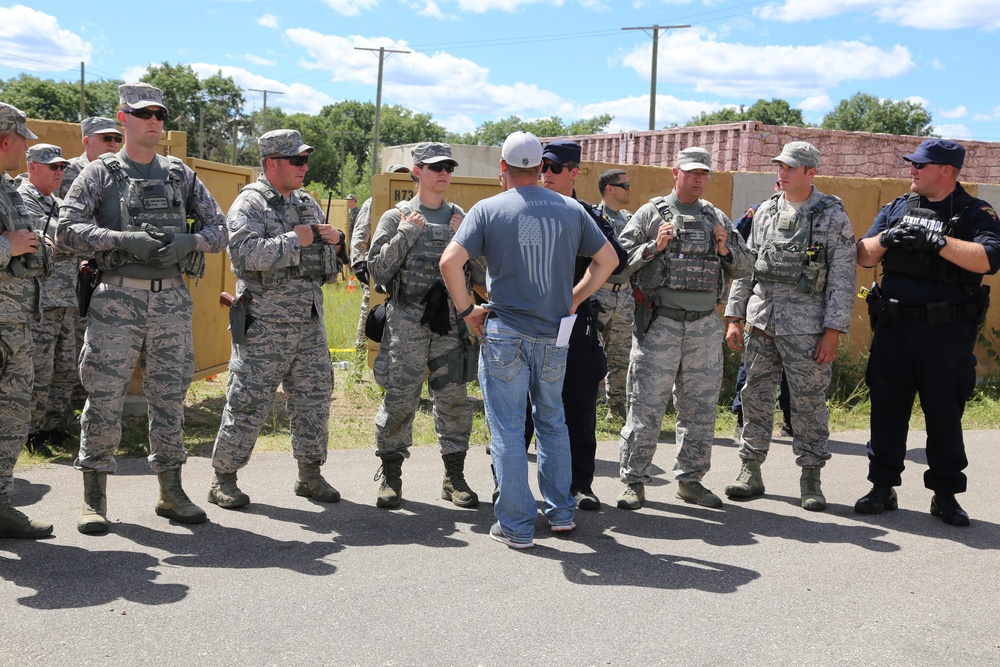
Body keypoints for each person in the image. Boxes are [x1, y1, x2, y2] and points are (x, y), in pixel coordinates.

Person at [58, 82, 228, 533]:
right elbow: (65, 230)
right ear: (123, 118)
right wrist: (120, 239)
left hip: (171, 297)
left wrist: (189, 240)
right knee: (104, 397)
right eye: (144, 113)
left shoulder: (180, 174)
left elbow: (221, 230)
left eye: (160, 115)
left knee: (170, 396)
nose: (154, 121)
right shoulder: (99, 173)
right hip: (116, 297)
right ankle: (94, 497)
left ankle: (171, 492)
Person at [440, 130, 618, 548]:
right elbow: (607, 260)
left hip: (505, 333)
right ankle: (560, 512)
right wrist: (572, 300)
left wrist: (468, 312)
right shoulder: (571, 209)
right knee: (553, 420)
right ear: (541, 168)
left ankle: (517, 526)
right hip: (554, 334)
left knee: (506, 428)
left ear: (503, 169)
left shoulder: (487, 209)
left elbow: (450, 262)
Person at [854, 139, 1000, 527]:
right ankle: (882, 487)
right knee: (887, 410)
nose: (912, 170)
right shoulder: (898, 207)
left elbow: (988, 259)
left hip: (946, 332)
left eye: (921, 165)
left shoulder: (974, 212)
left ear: (946, 171)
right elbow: (863, 254)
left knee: (944, 414)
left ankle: (946, 495)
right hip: (895, 329)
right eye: (912, 164)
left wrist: (938, 242)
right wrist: (885, 239)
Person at [208, 129, 344, 509]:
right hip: (264, 325)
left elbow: (327, 269)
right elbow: (244, 256)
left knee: (314, 401)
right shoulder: (249, 204)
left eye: (306, 160)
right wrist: (293, 241)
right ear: (272, 163)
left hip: (308, 322)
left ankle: (310, 475)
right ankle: (224, 479)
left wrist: (336, 241)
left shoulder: (306, 203)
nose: (304, 167)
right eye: (297, 160)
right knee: (247, 402)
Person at [616, 147, 752, 511]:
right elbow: (617, 263)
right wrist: (652, 247)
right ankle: (633, 481)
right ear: (675, 172)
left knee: (700, 410)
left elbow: (744, 268)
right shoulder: (651, 213)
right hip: (660, 324)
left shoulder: (715, 217)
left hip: (704, 329)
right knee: (645, 407)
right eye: (691, 172)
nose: (698, 179)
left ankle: (690, 482)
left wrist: (725, 248)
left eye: (704, 173)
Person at [723, 141, 856, 511]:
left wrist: (833, 331)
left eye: (790, 167)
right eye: (779, 165)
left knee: (809, 403)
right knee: (754, 396)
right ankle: (750, 470)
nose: (781, 172)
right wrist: (735, 318)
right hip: (761, 321)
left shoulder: (831, 216)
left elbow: (844, 277)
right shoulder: (765, 210)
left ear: (810, 173)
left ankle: (810, 477)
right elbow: (747, 267)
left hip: (808, 328)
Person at [368, 143, 483, 509]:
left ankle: (454, 478)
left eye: (448, 167)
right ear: (417, 171)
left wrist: (468, 237)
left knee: (453, 401)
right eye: (435, 167)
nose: (443, 173)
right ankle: (390, 475)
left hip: (450, 323)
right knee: (400, 400)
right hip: (407, 323)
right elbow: (377, 274)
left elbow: (480, 277)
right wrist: (405, 234)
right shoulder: (395, 217)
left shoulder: (461, 218)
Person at [531, 141, 626, 512]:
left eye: (555, 168)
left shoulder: (586, 214)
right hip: (530, 322)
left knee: (579, 404)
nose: (547, 175)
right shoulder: (529, 209)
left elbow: (616, 259)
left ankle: (580, 484)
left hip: (573, 323)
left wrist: (575, 295)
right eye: (543, 168)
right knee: (522, 409)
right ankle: (508, 486)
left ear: (574, 172)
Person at [0, 102, 54, 539]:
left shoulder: (9, 188)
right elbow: (12, 244)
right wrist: (8, 246)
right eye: (23, 140)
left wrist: (38, 246)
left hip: (16, 324)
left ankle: (0, 504)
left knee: (12, 419)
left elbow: (27, 242)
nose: (25, 148)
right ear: (6, 140)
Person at [16, 144, 85, 451]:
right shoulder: (22, 199)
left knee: (66, 366)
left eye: (62, 168)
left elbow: (72, 237)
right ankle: (30, 433)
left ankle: (54, 426)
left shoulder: (57, 202)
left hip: (67, 298)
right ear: (32, 166)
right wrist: (75, 237)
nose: (60, 173)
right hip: (40, 301)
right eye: (53, 167)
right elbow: (66, 236)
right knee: (39, 370)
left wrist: (73, 238)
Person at [731, 180, 792, 439]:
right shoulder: (759, 212)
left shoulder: (812, 216)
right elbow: (738, 243)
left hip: (796, 309)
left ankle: (790, 420)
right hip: (759, 300)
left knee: (792, 369)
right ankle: (742, 416)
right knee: (752, 366)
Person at [351, 165, 410, 347]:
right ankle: (361, 357)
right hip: (378, 264)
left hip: (404, 267)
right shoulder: (373, 201)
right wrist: (359, 262)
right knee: (369, 310)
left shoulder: (414, 203)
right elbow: (360, 234)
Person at [595, 168, 634, 422]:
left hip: (624, 295)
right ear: (610, 188)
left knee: (621, 355)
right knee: (589, 353)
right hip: (598, 293)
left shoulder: (631, 218)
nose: (629, 190)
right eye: (625, 186)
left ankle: (616, 407)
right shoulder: (594, 217)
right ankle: (584, 404)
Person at [57, 117, 124, 199]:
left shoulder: (123, 171)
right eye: (107, 138)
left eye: (117, 139)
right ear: (86, 141)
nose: (113, 144)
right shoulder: (65, 170)